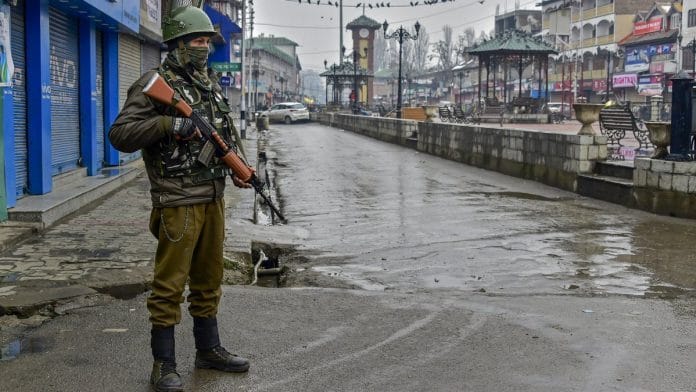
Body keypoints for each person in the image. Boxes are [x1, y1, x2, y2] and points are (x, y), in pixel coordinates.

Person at [108, 6, 250, 392]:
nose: (204, 47)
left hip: (213, 196)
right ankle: (163, 365)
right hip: (177, 200)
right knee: (169, 285)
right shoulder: (154, 83)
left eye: (207, 41)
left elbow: (224, 132)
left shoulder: (208, 82)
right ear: (178, 44)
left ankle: (209, 349)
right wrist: (169, 124)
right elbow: (120, 134)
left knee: (209, 280)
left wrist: (240, 168)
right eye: (197, 41)